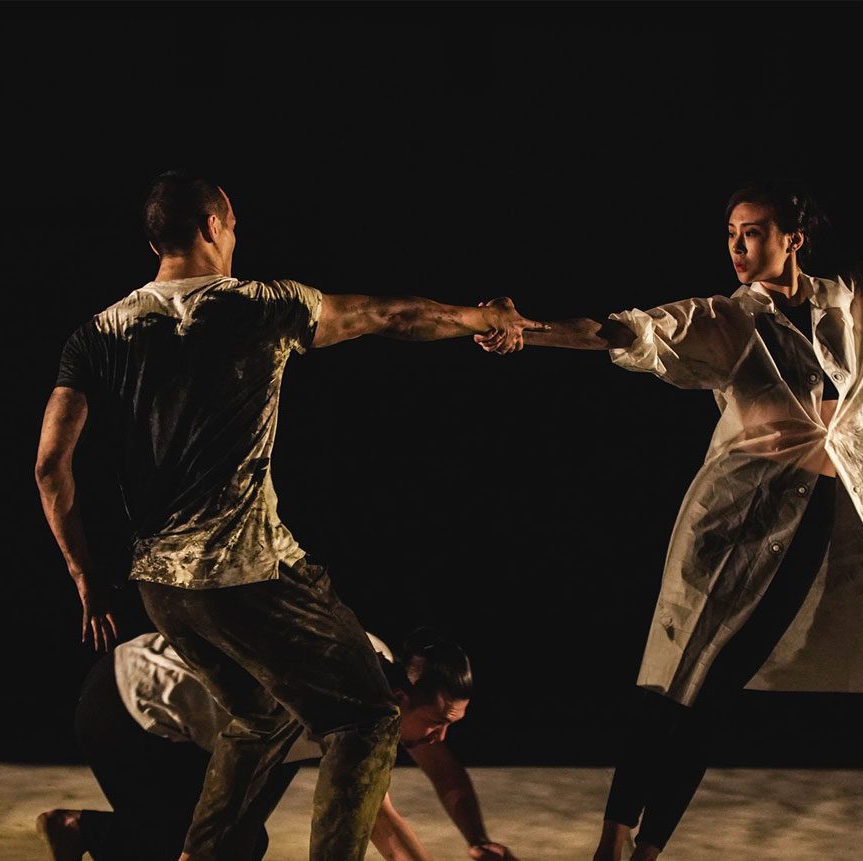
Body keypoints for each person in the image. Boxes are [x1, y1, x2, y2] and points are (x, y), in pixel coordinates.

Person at [475, 171, 863, 859]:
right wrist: (529, 332)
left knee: (717, 689)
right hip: (731, 517)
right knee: (675, 674)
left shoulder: (855, 304)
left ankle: (646, 850)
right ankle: (614, 836)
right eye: (731, 234)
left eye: (753, 232)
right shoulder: (726, 317)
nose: (738, 246)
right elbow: (628, 331)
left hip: (809, 520)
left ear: (793, 238)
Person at [34, 170, 544, 861]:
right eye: (234, 226)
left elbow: (50, 465)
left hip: (162, 588)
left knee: (261, 713)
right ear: (216, 223)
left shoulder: (97, 333)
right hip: (248, 574)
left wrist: (85, 577)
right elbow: (390, 314)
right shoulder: (258, 305)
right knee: (366, 719)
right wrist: (487, 318)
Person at [36, 629, 517, 861]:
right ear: (398, 698)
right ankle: (82, 830)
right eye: (436, 722)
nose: (440, 737)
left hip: (202, 721)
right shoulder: (332, 703)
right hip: (127, 705)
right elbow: (380, 823)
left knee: (241, 843)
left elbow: (438, 771)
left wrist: (478, 840)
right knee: (216, 848)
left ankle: (87, 832)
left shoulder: (388, 684)